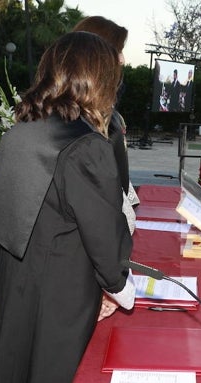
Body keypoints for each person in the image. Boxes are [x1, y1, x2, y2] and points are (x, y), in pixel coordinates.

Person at [0, 31, 135, 383]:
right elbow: (105, 240)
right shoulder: (86, 145)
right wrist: (121, 290)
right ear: (98, 80)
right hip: (59, 294)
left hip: (12, 284)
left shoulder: (22, 131)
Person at [72, 15, 139, 234]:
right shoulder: (78, 123)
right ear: (95, 54)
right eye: (117, 50)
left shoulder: (108, 116)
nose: (122, 60)